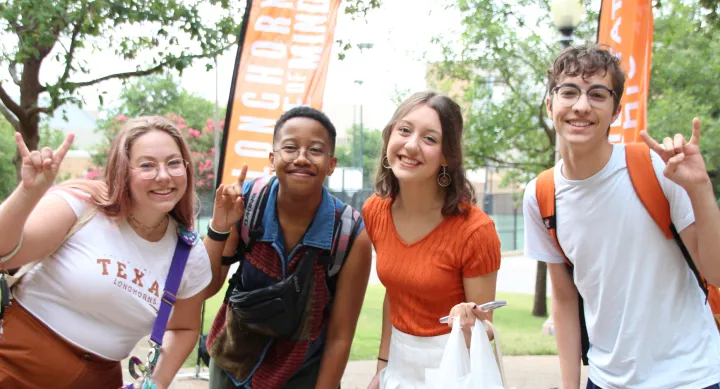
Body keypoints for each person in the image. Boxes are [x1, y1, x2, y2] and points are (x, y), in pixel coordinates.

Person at [523, 44, 720, 389]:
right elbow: (565, 299)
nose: (582, 106)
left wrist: (701, 188)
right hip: (605, 381)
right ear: (550, 103)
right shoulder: (541, 195)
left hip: (691, 377)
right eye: (569, 91)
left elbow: (716, 272)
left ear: (615, 111)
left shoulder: (656, 168)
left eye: (598, 94)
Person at [0, 116, 213, 389]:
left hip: (98, 380)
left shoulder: (188, 251)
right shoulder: (84, 205)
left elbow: (184, 328)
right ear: (123, 170)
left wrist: (155, 383)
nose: (163, 175)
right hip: (14, 365)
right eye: (147, 165)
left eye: (173, 163)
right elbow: (5, 253)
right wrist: (29, 193)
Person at [204, 106, 373, 389]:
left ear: (331, 164)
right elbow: (207, 287)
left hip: (301, 373)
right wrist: (220, 226)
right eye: (290, 148)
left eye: (315, 150)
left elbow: (340, 336)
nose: (302, 158)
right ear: (272, 159)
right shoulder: (245, 202)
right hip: (232, 365)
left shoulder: (350, 234)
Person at [362, 91, 502, 389]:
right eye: (404, 130)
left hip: (454, 373)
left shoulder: (476, 231)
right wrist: (382, 367)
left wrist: (469, 320)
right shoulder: (375, 211)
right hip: (398, 369)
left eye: (430, 139)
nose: (411, 145)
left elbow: (485, 328)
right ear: (389, 136)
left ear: (447, 156)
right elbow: (396, 294)